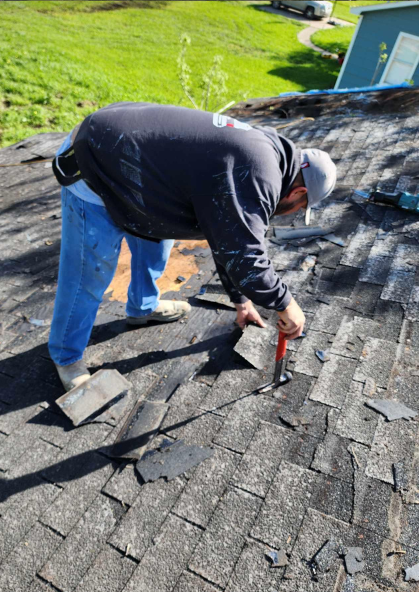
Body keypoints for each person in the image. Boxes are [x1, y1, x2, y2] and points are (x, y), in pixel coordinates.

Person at [49, 102, 336, 391]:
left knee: (156, 242)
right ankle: (66, 356)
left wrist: (241, 300)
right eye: (299, 208)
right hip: (96, 161)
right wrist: (286, 304)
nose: (292, 213)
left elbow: (227, 239)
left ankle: (143, 307)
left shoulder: (268, 157)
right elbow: (246, 256)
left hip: (138, 167)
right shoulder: (257, 174)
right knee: (89, 273)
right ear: (298, 192)